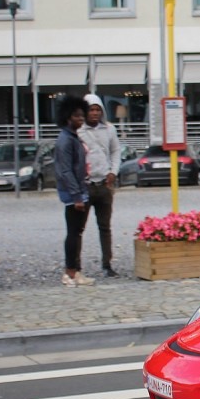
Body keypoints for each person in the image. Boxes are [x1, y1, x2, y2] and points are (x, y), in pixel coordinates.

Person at [54, 94, 94, 287]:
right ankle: (70, 272)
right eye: (77, 116)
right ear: (68, 117)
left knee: (77, 232)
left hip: (79, 190)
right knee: (73, 233)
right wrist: (77, 196)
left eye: (82, 115)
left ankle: (76, 271)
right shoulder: (65, 140)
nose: (81, 119)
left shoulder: (72, 137)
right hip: (73, 193)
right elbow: (65, 170)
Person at [79, 94, 121, 277]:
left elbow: (115, 151)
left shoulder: (109, 129)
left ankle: (107, 263)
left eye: (97, 110)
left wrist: (113, 172)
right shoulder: (78, 130)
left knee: (105, 226)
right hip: (86, 184)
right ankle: (76, 266)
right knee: (79, 228)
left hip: (104, 183)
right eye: (91, 109)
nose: (94, 113)